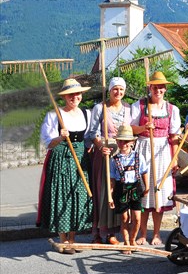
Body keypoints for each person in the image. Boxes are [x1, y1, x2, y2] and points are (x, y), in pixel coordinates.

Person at [37, 78, 93, 254]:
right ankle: (63, 239)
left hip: (80, 159)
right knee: (63, 196)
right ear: (64, 97)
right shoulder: (54, 115)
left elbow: (89, 138)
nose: (74, 97)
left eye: (77, 93)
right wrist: (60, 137)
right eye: (70, 94)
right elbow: (48, 143)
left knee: (79, 196)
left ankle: (73, 239)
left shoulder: (87, 114)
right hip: (61, 159)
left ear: (81, 95)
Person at [130, 71, 181, 246]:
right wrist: (143, 126)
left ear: (165, 89)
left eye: (161, 87)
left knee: (159, 191)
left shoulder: (172, 109)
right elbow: (130, 129)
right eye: (155, 87)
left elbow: (174, 136)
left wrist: (174, 159)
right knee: (145, 192)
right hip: (144, 148)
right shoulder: (140, 105)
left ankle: (157, 234)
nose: (158, 90)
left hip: (163, 152)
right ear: (150, 88)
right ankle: (143, 233)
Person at [86, 76, 131, 245]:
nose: (118, 92)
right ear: (109, 90)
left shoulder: (128, 108)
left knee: (117, 193)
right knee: (103, 193)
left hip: (121, 154)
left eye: (121, 89)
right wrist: (100, 145)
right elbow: (92, 132)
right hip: (104, 153)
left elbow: (131, 129)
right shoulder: (100, 108)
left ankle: (112, 234)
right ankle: (98, 233)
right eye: (115, 89)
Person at [104, 125, 149, 254]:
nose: (123, 144)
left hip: (135, 187)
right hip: (121, 188)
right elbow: (112, 179)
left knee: (137, 218)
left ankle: (133, 239)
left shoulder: (138, 157)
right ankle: (126, 242)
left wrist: (147, 187)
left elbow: (144, 172)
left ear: (132, 142)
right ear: (117, 142)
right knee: (124, 218)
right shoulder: (114, 160)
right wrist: (110, 196)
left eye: (126, 141)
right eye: (120, 141)